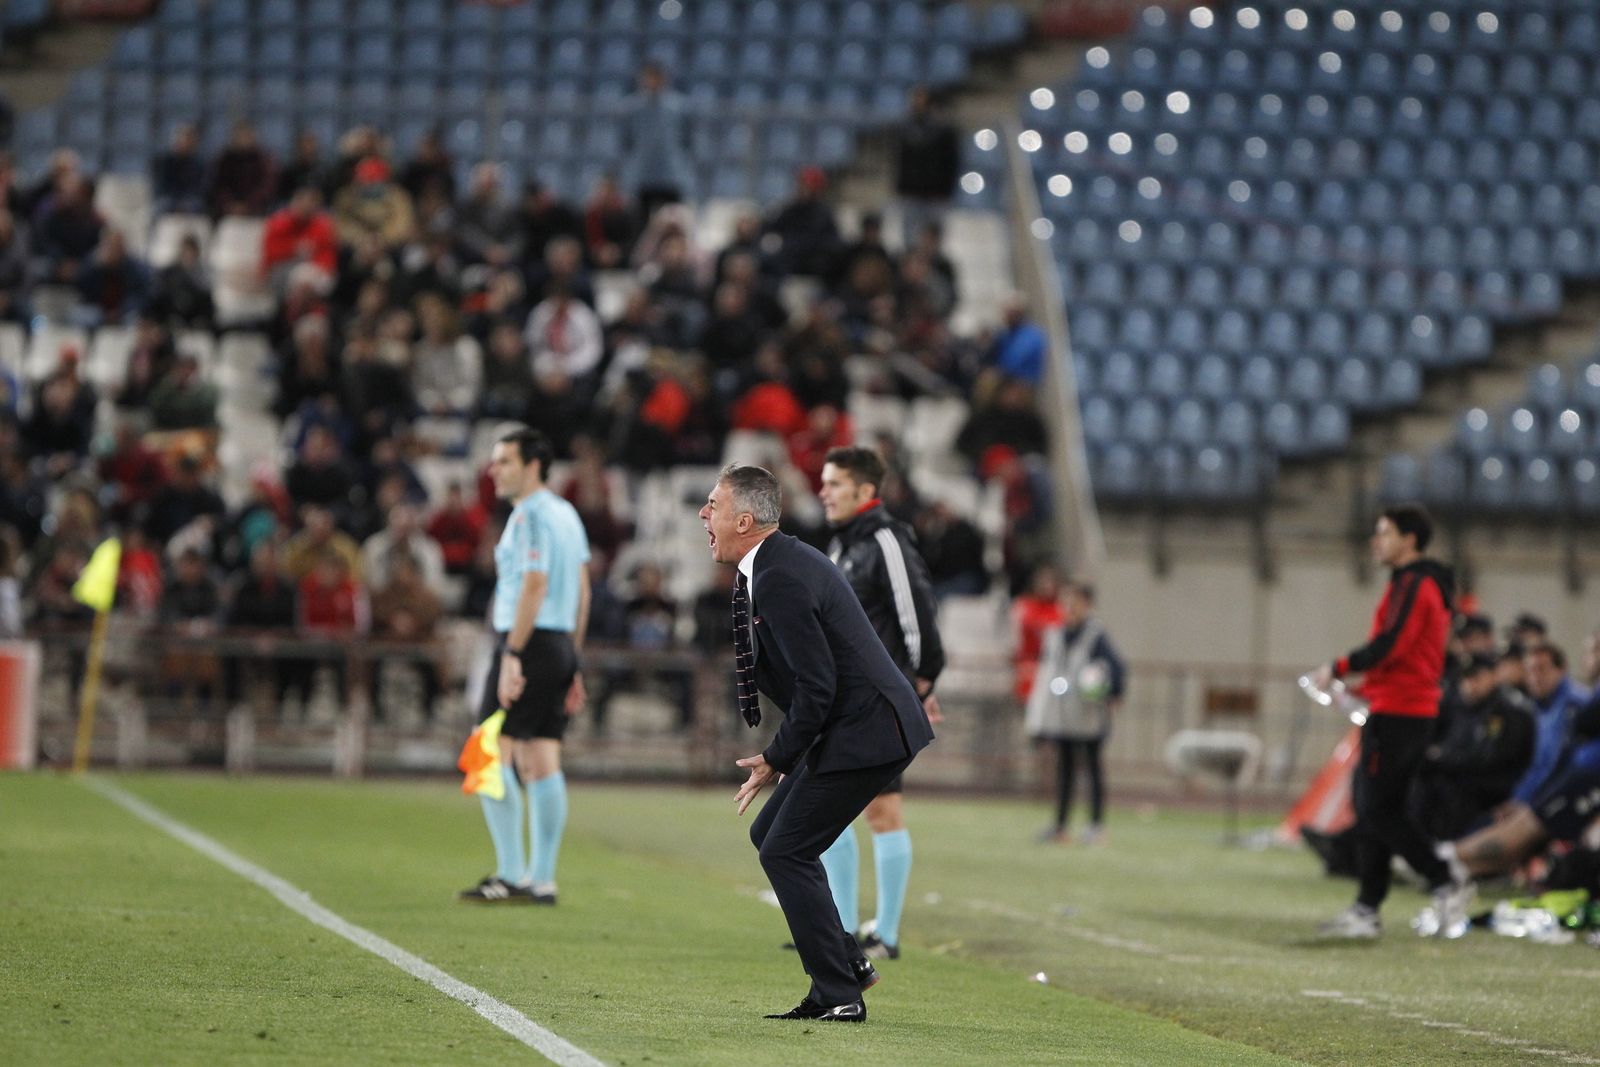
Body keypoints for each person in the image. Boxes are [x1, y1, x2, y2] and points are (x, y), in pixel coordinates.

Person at [701, 463, 934, 1023]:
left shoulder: (779, 574)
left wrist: (778, 757)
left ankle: (838, 993)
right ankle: (848, 966)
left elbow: (818, 682)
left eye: (713, 505)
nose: (704, 516)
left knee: (787, 849)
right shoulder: (778, 563)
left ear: (745, 518)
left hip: (869, 729)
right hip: (856, 724)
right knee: (770, 834)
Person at [1309, 504, 1475, 939]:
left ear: (1409, 539)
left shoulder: (1414, 582)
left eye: (1384, 532)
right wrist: (1365, 687)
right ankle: (1369, 907)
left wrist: (1339, 666)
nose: (1375, 540)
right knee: (1380, 809)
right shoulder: (1421, 582)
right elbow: (1411, 656)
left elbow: (1392, 645)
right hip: (1405, 707)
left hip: (1400, 712)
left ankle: (1443, 879)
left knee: (1376, 810)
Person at [813, 446, 945, 962]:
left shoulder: (887, 540)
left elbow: (918, 613)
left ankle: (884, 933)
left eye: (835, 484)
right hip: (841, 698)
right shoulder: (844, 545)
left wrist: (924, 682)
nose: (824, 491)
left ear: (866, 492)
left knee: (882, 810)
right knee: (831, 810)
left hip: (876, 698)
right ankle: (842, 931)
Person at [459, 428, 591, 905]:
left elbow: (534, 585)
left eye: (504, 461)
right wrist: (572, 660)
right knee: (541, 758)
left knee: (485, 752)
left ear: (533, 464)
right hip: (557, 644)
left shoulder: (530, 516)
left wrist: (512, 654)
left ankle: (512, 874)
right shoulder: (566, 513)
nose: (494, 470)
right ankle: (542, 879)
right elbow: (582, 590)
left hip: (527, 642)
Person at [1025, 579, 1125, 844]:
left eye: (1075, 601)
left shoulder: (1096, 635)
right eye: (1066, 600)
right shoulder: (1056, 634)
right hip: (1063, 716)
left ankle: (1096, 825)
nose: (1069, 607)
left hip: (1088, 715)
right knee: (1064, 769)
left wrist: (1113, 692)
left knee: (1093, 769)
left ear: (1087, 605)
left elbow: (1115, 667)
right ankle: (1060, 826)